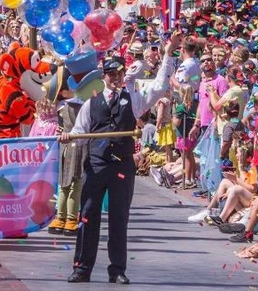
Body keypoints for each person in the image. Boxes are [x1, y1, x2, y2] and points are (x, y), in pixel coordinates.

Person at [60, 31, 179, 284]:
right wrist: (69, 138)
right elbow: (80, 134)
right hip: (96, 165)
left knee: (118, 218)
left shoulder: (133, 99)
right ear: (104, 77)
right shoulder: (90, 104)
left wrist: (167, 54)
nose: (115, 78)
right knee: (88, 215)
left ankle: (117, 269)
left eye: (119, 74)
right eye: (111, 74)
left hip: (122, 166)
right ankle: (82, 267)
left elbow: (159, 88)